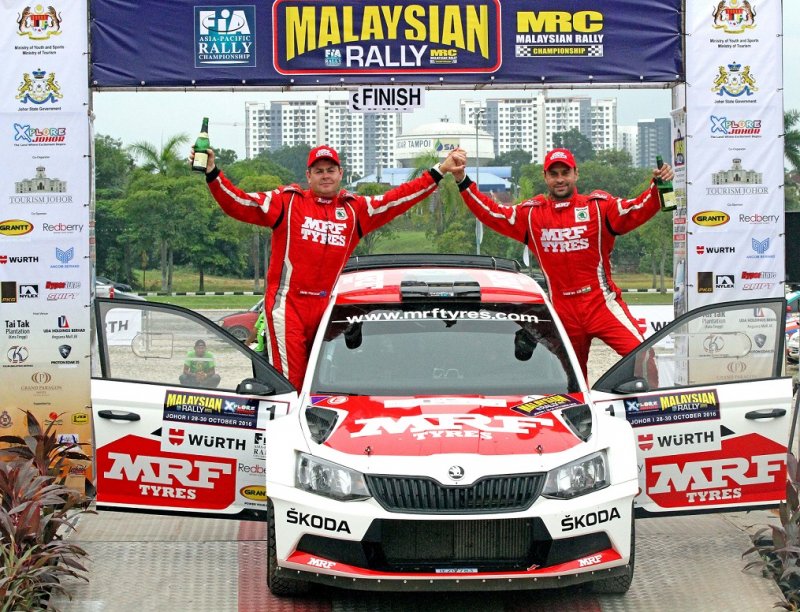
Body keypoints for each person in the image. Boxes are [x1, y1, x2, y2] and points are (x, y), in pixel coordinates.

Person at [191, 145, 464, 389]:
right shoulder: (287, 201)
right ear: (308, 176)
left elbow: (398, 198)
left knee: (329, 382)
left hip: (328, 306)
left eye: (330, 170)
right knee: (291, 385)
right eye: (318, 170)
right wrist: (213, 173)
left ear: (340, 173)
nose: (325, 175)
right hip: (289, 305)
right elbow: (237, 203)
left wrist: (439, 171)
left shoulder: (355, 209)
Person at [451, 147, 673, 380]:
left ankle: (652, 411)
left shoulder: (597, 207)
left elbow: (636, 210)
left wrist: (657, 186)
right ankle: (580, 415)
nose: (560, 179)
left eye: (564, 173)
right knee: (569, 381)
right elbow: (491, 213)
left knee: (642, 356)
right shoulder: (531, 215)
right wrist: (462, 180)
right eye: (553, 173)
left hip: (601, 303)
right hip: (562, 310)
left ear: (576, 174)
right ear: (545, 177)